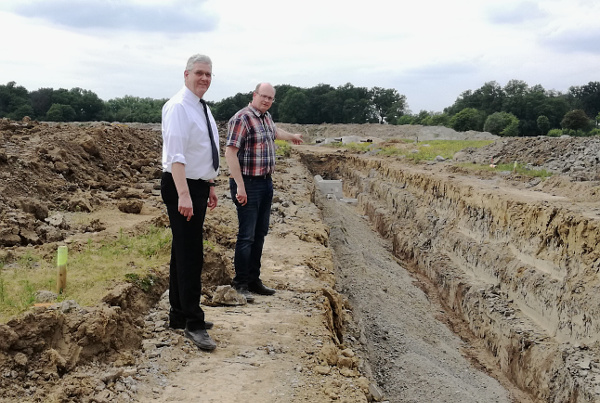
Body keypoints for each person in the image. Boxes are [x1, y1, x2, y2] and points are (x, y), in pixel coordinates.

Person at [160, 54, 219, 351]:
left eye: (208, 74)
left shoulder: (201, 108)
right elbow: (176, 156)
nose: (205, 78)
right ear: (186, 74)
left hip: (196, 186)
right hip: (181, 185)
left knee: (181, 251)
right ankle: (194, 323)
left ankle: (179, 314)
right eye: (199, 73)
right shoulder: (178, 107)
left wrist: (208, 185)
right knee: (191, 254)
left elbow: (200, 151)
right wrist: (184, 194)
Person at [225, 82, 303, 302]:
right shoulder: (242, 118)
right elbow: (230, 153)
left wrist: (292, 136)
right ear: (254, 95)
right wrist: (239, 185)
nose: (267, 100)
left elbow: (275, 132)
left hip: (265, 183)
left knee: (260, 234)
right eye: (264, 96)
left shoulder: (265, 117)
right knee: (246, 236)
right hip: (247, 183)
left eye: (270, 98)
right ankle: (240, 283)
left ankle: (253, 280)